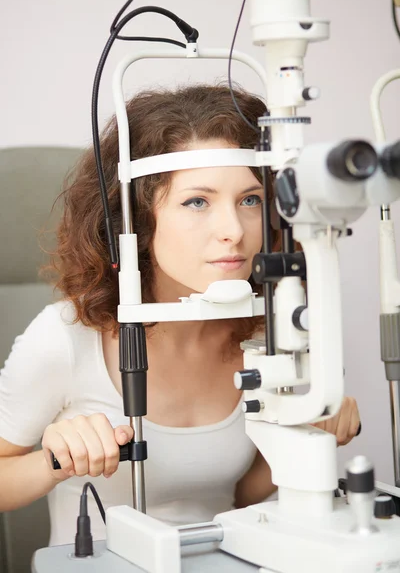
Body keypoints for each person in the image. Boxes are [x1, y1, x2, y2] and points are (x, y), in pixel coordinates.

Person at [0, 84, 360, 546]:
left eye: (250, 199)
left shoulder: (272, 332)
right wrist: (55, 458)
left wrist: (307, 433)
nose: (233, 231)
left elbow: (243, 496)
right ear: (135, 219)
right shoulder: (65, 337)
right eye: (197, 202)